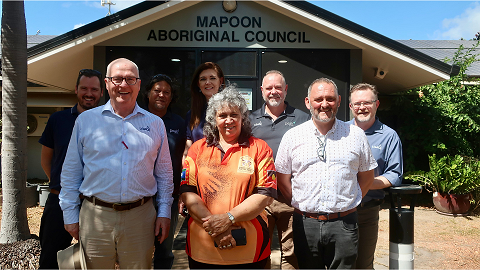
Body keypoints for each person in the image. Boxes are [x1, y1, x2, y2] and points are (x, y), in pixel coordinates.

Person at [59, 58, 174, 269]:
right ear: (107, 83)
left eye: (130, 79)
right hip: (95, 217)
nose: (123, 85)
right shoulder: (86, 121)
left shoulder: (155, 124)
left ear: (139, 85)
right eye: (117, 79)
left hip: (140, 218)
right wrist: (70, 213)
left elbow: (165, 174)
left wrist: (164, 212)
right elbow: (71, 171)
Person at [275, 78, 377, 269]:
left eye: (330, 99)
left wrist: (349, 202)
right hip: (305, 223)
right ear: (308, 102)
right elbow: (282, 179)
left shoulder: (356, 135)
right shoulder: (292, 136)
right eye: (318, 99)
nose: (324, 104)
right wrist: (301, 204)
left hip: (344, 224)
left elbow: (367, 176)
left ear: (338, 101)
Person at [180, 86, 277, 269]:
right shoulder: (197, 149)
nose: (229, 120)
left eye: (234, 114)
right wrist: (216, 228)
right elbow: (187, 192)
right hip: (203, 247)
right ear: (213, 120)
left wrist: (228, 219)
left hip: (250, 248)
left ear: (242, 118)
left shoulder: (260, 148)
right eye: (222, 115)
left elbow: (265, 194)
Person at [38, 69, 103, 269]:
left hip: (95, 205)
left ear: (102, 93)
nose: (89, 93)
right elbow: (46, 160)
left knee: (95, 260)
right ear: (76, 89)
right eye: (84, 88)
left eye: (94, 89)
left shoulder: (107, 121)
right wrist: (62, 187)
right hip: (59, 201)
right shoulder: (58, 119)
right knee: (50, 258)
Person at [249, 70, 309, 269]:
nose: (274, 92)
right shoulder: (249, 120)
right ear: (262, 91)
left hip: (290, 197)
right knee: (259, 250)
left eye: (278, 87)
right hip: (259, 196)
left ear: (286, 89)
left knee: (292, 252)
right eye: (269, 88)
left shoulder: (303, 119)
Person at [348, 83, 403, 269]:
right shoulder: (339, 131)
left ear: (377, 104)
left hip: (367, 211)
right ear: (350, 107)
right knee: (339, 263)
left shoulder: (389, 136)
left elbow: (395, 175)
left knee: (363, 264)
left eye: (367, 102)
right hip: (339, 210)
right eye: (357, 103)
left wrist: (365, 183)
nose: (361, 107)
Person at [144, 74, 187, 269]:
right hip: (140, 197)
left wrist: (181, 193)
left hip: (168, 196)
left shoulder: (178, 123)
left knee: (164, 249)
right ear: (148, 94)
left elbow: (183, 159)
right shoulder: (136, 118)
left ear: (171, 98)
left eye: (166, 92)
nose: (161, 95)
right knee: (139, 249)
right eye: (157, 91)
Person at [183, 62, 225, 159]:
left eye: (212, 78)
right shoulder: (192, 114)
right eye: (203, 79)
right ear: (198, 84)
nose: (207, 82)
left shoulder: (231, 111)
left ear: (221, 81)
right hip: (199, 168)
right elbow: (188, 147)